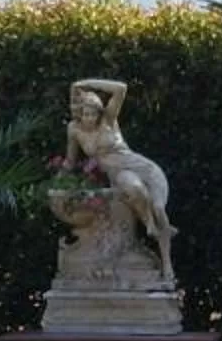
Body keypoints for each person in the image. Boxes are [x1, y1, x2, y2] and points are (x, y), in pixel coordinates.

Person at [65, 78, 175, 285]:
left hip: (145, 168)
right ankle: (148, 222)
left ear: (99, 113)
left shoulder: (108, 121)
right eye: (86, 114)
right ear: (80, 113)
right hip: (120, 174)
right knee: (134, 188)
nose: (90, 118)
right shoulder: (74, 130)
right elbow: (70, 161)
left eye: (93, 114)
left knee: (159, 209)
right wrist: (60, 181)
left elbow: (121, 89)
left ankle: (167, 263)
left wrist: (89, 83)